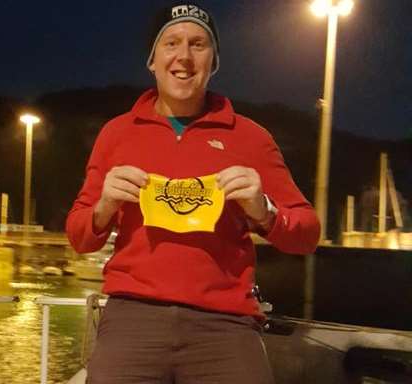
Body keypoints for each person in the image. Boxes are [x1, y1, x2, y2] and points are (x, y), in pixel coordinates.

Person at [66, 3, 320, 383]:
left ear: (213, 62)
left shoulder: (251, 138)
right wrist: (104, 206)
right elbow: (78, 236)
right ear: (152, 60)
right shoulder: (116, 134)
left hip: (225, 324)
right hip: (133, 318)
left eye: (198, 44)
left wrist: (264, 209)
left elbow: (307, 234)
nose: (184, 56)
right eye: (171, 43)